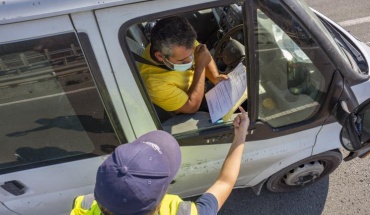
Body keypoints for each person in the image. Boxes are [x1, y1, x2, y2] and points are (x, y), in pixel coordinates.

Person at [70, 106, 249, 215]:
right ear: (159, 202)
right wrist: (240, 135)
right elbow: (225, 181)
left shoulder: (83, 206)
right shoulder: (182, 212)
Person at [138, 16, 228, 114]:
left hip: (197, 81)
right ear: (160, 56)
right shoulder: (154, 83)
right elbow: (192, 107)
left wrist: (215, 77)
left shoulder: (181, 42)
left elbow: (202, 54)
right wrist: (200, 66)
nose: (190, 61)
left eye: (191, 55)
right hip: (189, 104)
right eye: (182, 60)